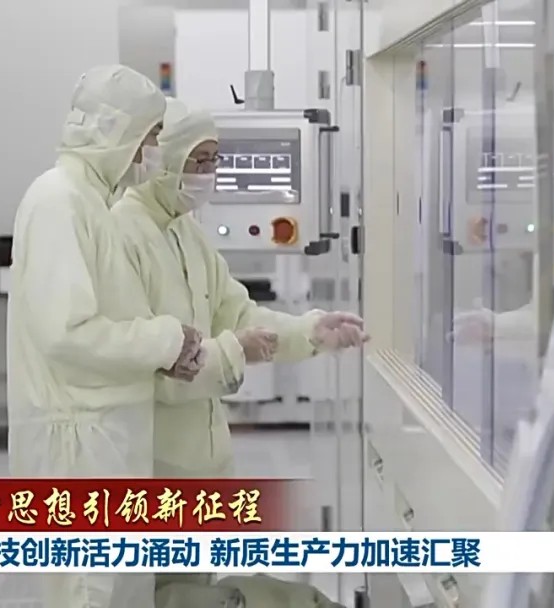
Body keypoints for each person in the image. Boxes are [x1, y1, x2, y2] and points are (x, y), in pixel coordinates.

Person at [109, 103, 364, 607]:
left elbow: (237, 313)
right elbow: (143, 366)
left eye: (214, 160)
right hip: (152, 463)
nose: (208, 173)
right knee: (162, 595)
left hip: (200, 463)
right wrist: (232, 352)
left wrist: (311, 331)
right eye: (198, 160)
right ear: (165, 157)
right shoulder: (122, 233)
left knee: (192, 587)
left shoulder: (185, 231)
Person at [6, 65, 204, 608]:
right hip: (78, 450)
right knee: (89, 592)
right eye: (151, 137)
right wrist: (166, 341)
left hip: (104, 439)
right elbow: (68, 334)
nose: (154, 151)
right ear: (119, 132)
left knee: (118, 590)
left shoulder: (92, 202)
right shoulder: (59, 200)